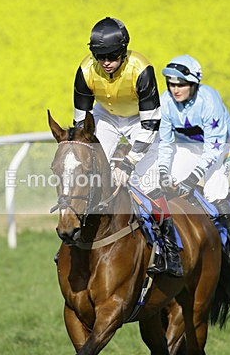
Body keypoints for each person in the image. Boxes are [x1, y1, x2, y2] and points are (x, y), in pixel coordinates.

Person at [73, 17, 182, 276]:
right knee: (87, 172)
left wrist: (127, 161)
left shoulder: (141, 68)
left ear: (124, 51)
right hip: (105, 118)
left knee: (148, 185)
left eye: (112, 55)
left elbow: (150, 125)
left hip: (141, 121)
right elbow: (81, 124)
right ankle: (75, 237)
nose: (106, 62)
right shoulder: (85, 70)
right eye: (100, 56)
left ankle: (169, 250)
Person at [158, 54, 230, 261]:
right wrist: (163, 172)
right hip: (188, 146)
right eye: (171, 84)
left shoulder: (209, 100)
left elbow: (213, 148)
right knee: (168, 186)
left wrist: (191, 180)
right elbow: (164, 143)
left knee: (213, 190)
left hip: (219, 146)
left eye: (181, 84)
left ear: (193, 83)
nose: (175, 90)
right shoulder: (165, 102)